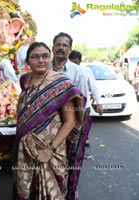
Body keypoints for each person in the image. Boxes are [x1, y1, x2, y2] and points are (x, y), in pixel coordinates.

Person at [13, 42, 85, 199]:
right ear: (28, 61)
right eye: (35, 57)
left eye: (45, 56)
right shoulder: (24, 80)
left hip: (51, 151)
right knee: (27, 189)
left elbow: (70, 122)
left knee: (52, 194)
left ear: (50, 58)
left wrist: (49, 150)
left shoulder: (61, 84)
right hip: (26, 149)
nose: (41, 60)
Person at [51, 32, 91, 199]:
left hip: (74, 121)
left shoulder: (77, 72)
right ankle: (53, 188)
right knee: (52, 156)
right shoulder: (44, 67)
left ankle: (71, 188)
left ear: (70, 49)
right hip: (50, 123)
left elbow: (82, 100)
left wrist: (75, 128)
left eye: (64, 45)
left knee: (72, 158)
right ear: (53, 47)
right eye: (58, 44)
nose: (61, 48)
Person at [69, 50, 103, 116]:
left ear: (80, 61)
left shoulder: (86, 70)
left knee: (84, 125)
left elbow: (93, 86)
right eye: (71, 63)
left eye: (75, 63)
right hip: (68, 108)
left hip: (84, 106)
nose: (74, 65)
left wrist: (99, 103)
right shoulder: (66, 71)